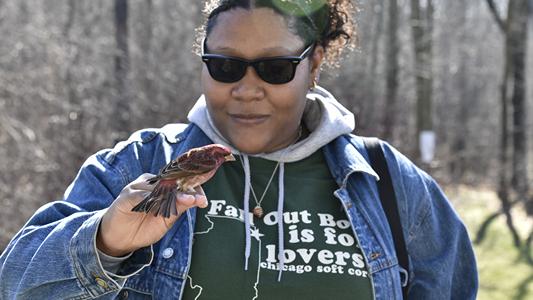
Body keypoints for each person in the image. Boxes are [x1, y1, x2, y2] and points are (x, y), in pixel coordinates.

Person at [0, 0, 477, 299]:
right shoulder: (139, 164)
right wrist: (107, 239)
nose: (247, 90)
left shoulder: (388, 182)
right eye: (226, 67)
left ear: (312, 64)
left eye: (273, 69)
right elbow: (15, 283)